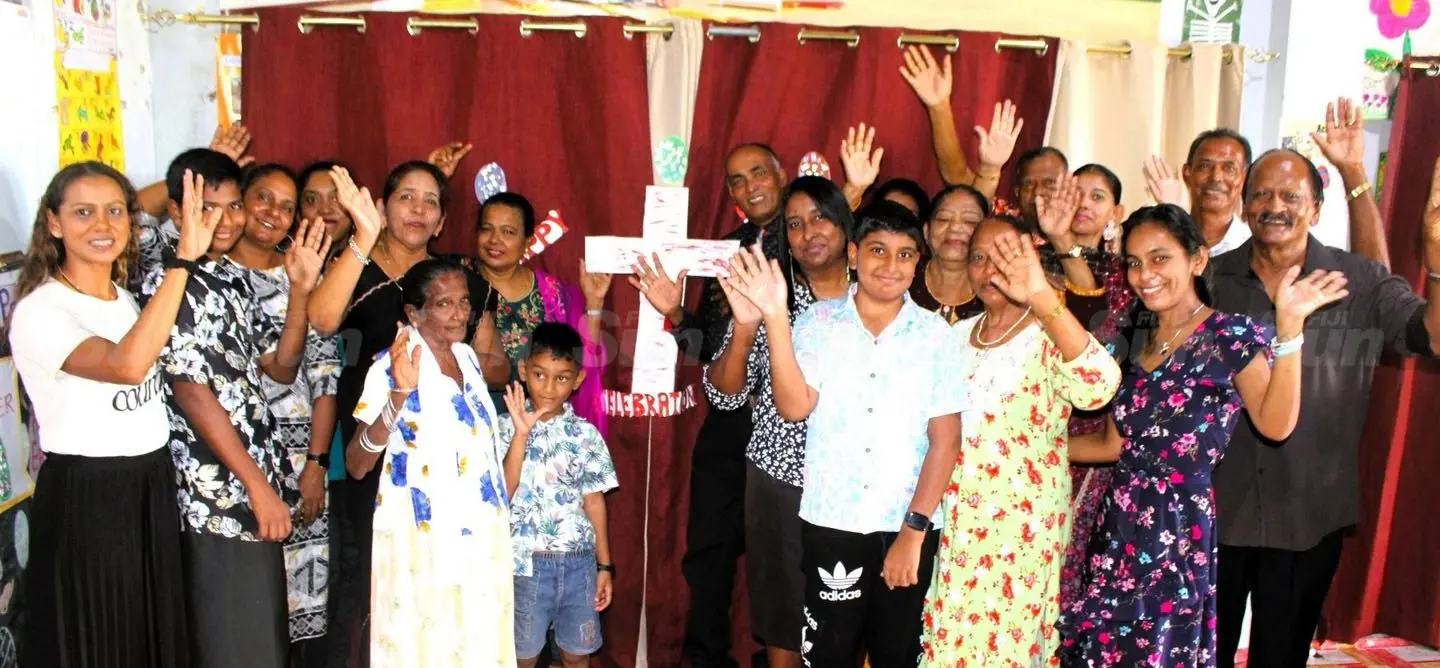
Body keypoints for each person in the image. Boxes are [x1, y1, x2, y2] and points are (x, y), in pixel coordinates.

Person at [1057, 204, 1347, 667]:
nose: (1143, 274)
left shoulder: (1229, 335)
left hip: (1175, 533)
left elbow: (1276, 425)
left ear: (1197, 259)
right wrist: (1037, 444)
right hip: (1116, 527)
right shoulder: (1138, 336)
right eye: (1133, 262)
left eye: (1159, 258)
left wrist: (1289, 331)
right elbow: (1114, 444)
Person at [1210, 150, 1440, 668]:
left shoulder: (1356, 282)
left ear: (1315, 208)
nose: (1275, 206)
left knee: (1280, 657)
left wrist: (1437, 261)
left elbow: (1431, 337)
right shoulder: (1208, 283)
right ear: (1245, 207)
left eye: (1291, 196)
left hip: (1308, 515)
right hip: (1213, 511)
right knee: (1201, 657)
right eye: (1262, 195)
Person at [722, 201, 963, 668]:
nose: (890, 266)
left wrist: (912, 533)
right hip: (832, 524)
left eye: (905, 254)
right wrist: (774, 316)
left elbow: (945, 442)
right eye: (877, 250)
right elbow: (793, 408)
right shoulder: (818, 323)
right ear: (853, 254)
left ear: (919, 262)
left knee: (897, 653)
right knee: (829, 653)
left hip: (904, 524)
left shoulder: (935, 336)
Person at [11, 162, 216, 668]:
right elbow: (127, 365)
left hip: (149, 480)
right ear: (54, 224)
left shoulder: (124, 299)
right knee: (100, 639)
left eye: (114, 211)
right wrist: (184, 262)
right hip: (91, 492)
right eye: (83, 212)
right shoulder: (42, 311)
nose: (101, 225)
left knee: (147, 634)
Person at [306, 162, 508, 667]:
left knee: (459, 610)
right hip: (378, 443)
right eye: (406, 198)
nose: (418, 210)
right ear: (381, 206)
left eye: (431, 201)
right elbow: (323, 319)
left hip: (455, 471)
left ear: (442, 220)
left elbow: (493, 367)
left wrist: (457, 380)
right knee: (377, 585)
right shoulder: (356, 264)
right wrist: (401, 390)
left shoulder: (456, 286)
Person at [140, 148, 323, 668]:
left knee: (260, 638)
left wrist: (300, 291)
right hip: (216, 496)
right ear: (176, 213)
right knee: (235, 642)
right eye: (206, 208)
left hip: (251, 485)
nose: (223, 220)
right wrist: (259, 488)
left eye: (232, 206)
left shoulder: (231, 277)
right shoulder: (170, 281)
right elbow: (191, 391)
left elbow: (281, 367)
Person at [918, 215, 1121, 667]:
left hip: (1023, 529)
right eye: (978, 258)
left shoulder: (1050, 332)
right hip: (957, 523)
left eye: (1006, 257)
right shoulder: (954, 338)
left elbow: (1099, 385)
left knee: (1010, 642)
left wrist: (1042, 298)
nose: (990, 269)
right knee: (952, 639)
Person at [629, 143, 787, 668]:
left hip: (795, 423)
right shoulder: (720, 252)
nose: (749, 186)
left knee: (788, 553)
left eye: (758, 172)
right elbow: (705, 349)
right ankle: (704, 659)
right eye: (736, 180)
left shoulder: (814, 237)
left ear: (781, 175)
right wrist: (675, 312)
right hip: (729, 422)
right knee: (707, 554)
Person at [703, 176, 854, 668]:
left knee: (847, 621)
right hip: (776, 481)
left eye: (820, 217)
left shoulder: (877, 299)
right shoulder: (774, 296)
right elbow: (724, 395)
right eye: (794, 224)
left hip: (856, 488)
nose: (808, 231)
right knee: (782, 619)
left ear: (846, 225)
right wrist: (747, 325)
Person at [345, 258, 520, 667]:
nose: (459, 313)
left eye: (463, 302)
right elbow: (356, 463)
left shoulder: (469, 360)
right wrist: (398, 397)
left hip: (481, 544)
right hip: (422, 546)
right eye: (444, 304)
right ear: (413, 312)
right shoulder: (390, 367)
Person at [227, 163, 341, 665]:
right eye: (262, 198)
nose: (273, 212)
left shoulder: (303, 273)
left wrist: (315, 465)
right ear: (238, 201)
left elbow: (324, 379)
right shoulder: (202, 273)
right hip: (225, 465)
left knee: (304, 608)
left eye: (286, 205)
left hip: (298, 461)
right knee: (240, 609)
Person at [501, 322, 619, 668]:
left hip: (579, 563)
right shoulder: (502, 426)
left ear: (578, 379)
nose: (549, 388)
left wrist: (604, 565)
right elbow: (502, 492)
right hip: (523, 564)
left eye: (562, 378)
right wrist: (521, 435)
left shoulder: (586, 435)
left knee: (576, 654)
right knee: (522, 656)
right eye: (539, 375)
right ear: (523, 370)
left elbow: (595, 502)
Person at [467, 191, 611, 429]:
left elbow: (582, 359)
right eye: (487, 229)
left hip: (540, 427)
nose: (495, 240)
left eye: (508, 232)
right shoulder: (457, 283)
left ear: (528, 240)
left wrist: (594, 304)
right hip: (472, 424)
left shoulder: (551, 293)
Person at [898, 44, 1024, 200]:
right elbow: (957, 178)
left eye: (1050, 183)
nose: (1038, 191)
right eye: (1030, 183)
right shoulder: (1004, 214)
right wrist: (939, 107)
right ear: (1018, 189)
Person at [910, 185, 989, 324]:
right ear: (926, 231)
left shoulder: (997, 292)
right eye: (944, 219)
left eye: (970, 221)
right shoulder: (902, 274)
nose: (955, 228)